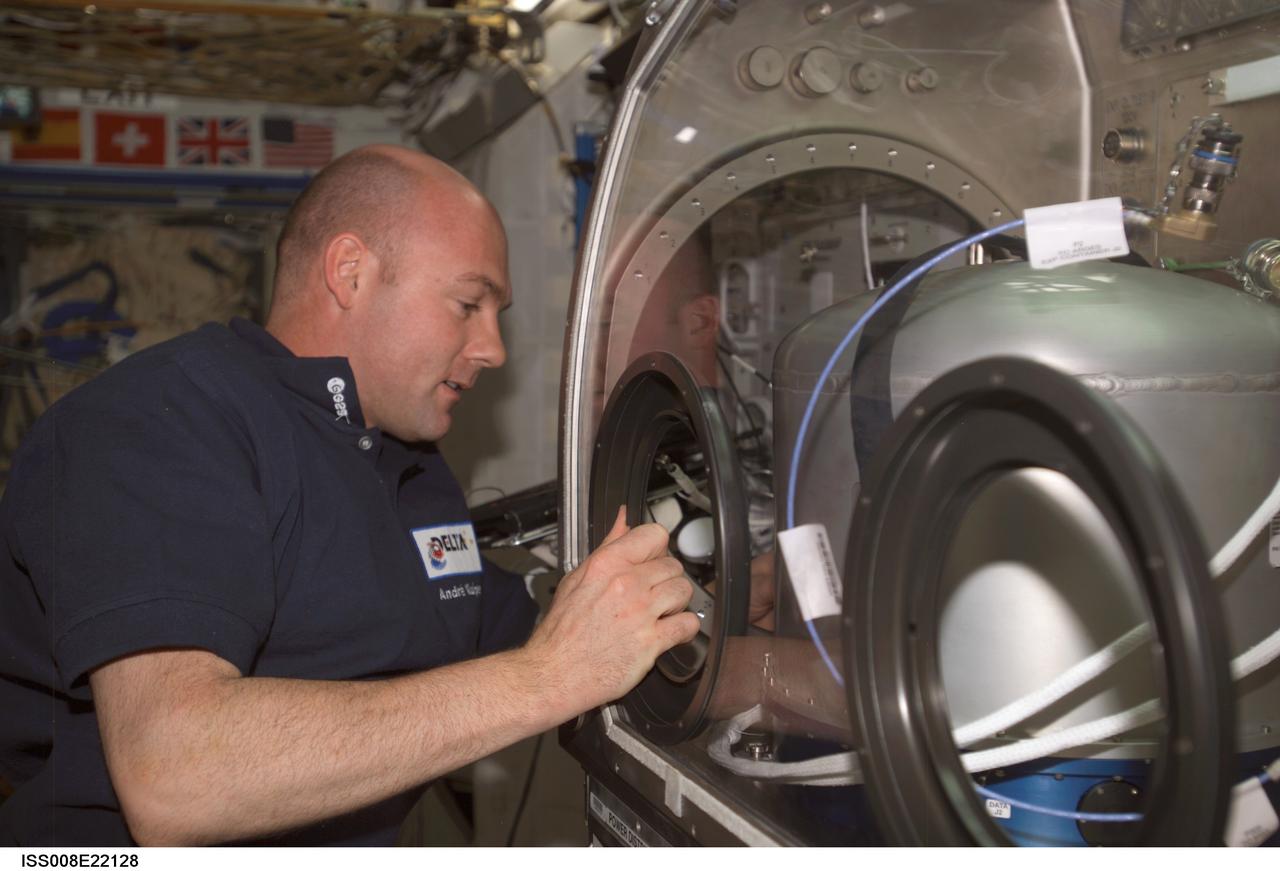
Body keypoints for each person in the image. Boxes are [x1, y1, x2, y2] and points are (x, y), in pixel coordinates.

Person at [0, 145, 699, 846]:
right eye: (468, 303)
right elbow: (175, 777)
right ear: (350, 271)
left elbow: (540, 633)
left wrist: (717, 616)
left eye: (497, 314)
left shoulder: (406, 465)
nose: (494, 349)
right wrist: (547, 676)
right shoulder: (162, 421)